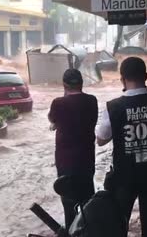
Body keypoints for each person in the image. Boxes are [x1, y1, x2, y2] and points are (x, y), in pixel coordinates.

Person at [96, 57, 147, 237]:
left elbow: (100, 140)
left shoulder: (113, 107)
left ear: (122, 79)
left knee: (119, 222)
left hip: (125, 176)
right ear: (146, 76)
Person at [48, 68, 99, 229]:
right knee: (87, 204)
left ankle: (71, 232)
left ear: (64, 85)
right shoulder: (92, 101)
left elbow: (52, 118)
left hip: (65, 163)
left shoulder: (58, 103)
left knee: (69, 206)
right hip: (86, 161)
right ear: (82, 83)